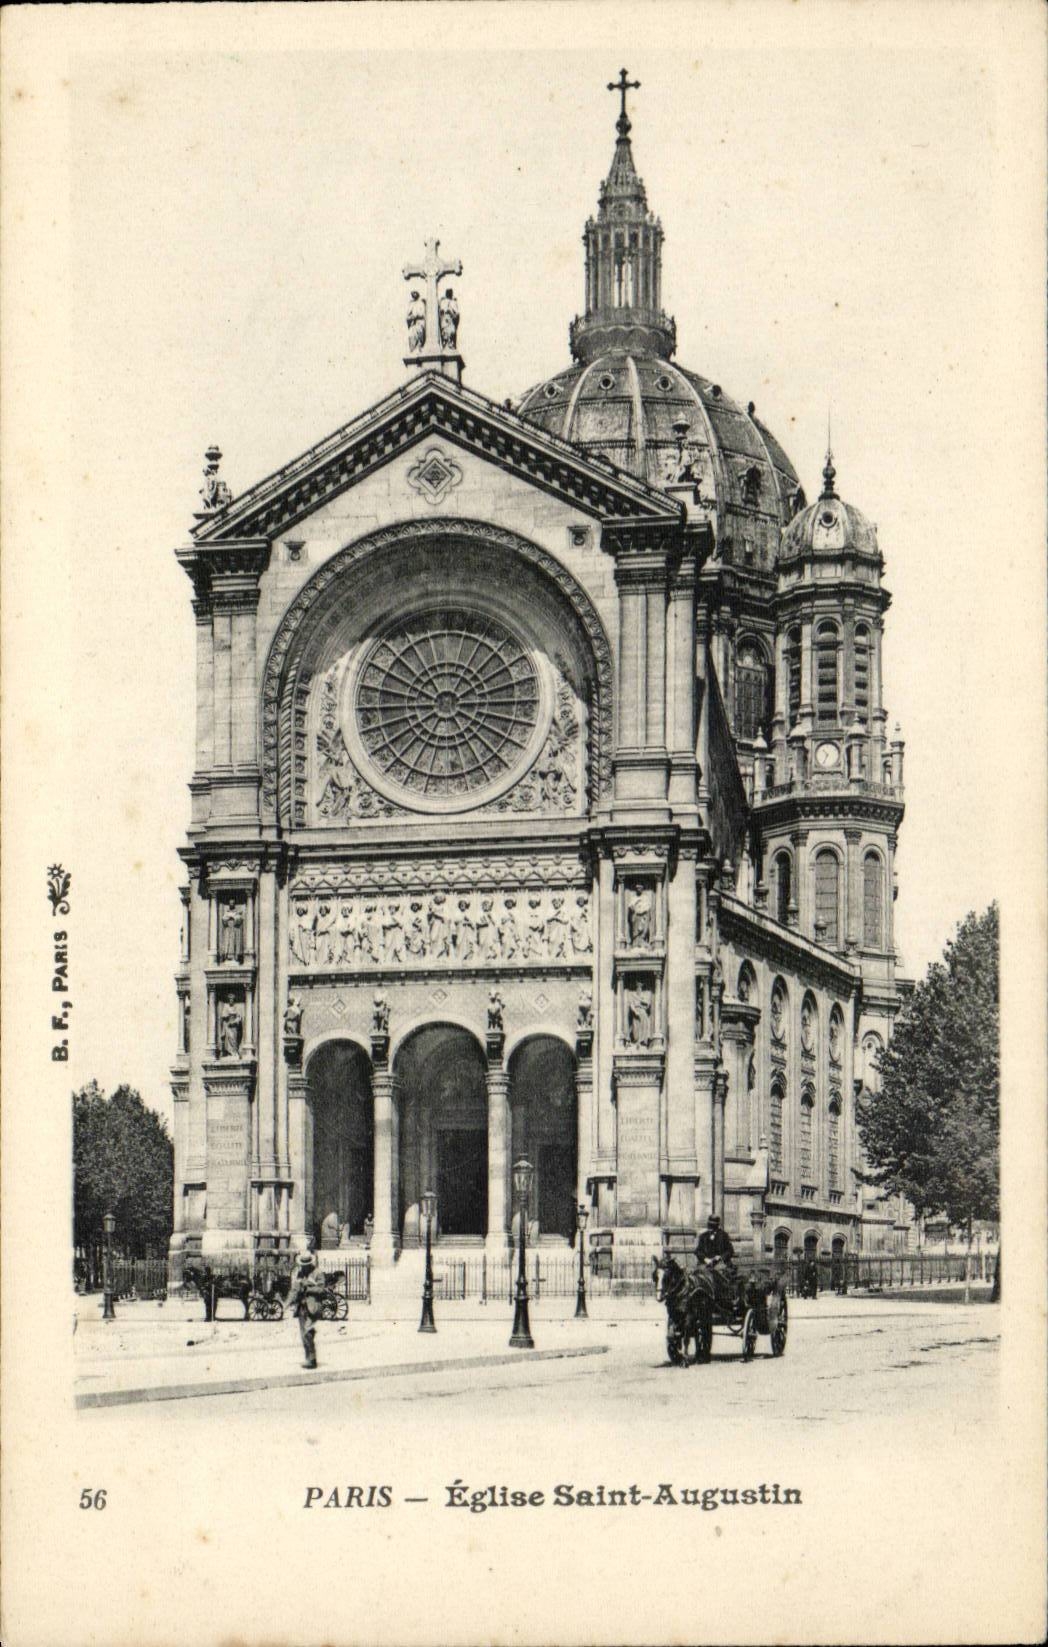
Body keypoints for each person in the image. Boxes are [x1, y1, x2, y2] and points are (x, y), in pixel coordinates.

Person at [285, 1250, 326, 1369]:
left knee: (307, 1332)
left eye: (306, 1265)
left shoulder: (318, 1273)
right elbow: (294, 1289)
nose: (304, 1267)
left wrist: (307, 1288)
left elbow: (322, 1289)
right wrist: (286, 1303)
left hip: (312, 1307)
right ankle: (308, 1357)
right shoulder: (299, 1273)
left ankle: (312, 1360)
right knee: (303, 1335)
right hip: (301, 1307)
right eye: (302, 1265)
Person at [695, 1214, 737, 1315]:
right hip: (705, 1264)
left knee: (718, 1275)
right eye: (709, 1225)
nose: (710, 1227)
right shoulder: (703, 1236)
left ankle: (720, 1299)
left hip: (720, 1264)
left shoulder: (724, 1235)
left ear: (717, 1225)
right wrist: (705, 1259)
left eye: (713, 1225)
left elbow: (730, 1251)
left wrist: (720, 1257)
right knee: (697, 1275)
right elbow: (698, 1251)